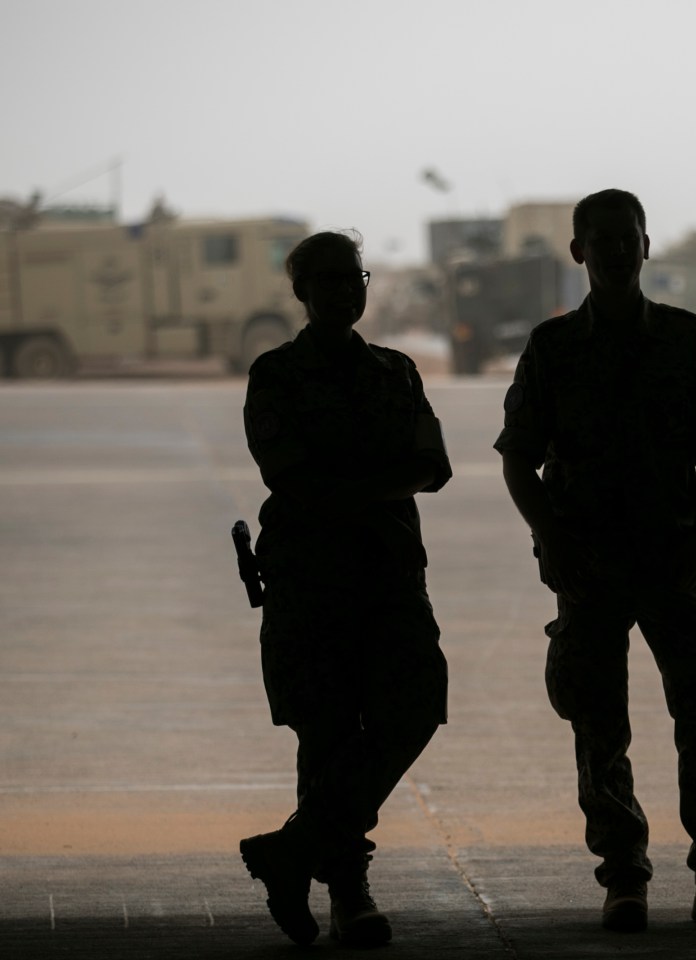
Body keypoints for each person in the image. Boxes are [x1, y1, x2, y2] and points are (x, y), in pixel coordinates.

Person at [494, 189, 696, 933]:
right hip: (589, 562)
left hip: (668, 555)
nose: (617, 251)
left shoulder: (686, 337)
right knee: (599, 724)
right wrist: (551, 539)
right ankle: (624, 878)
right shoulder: (553, 347)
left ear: (646, 245)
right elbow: (517, 458)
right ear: (579, 251)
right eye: (601, 239)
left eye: (628, 237)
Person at [238, 230, 452, 947]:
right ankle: (348, 891)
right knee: (327, 732)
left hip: (390, 575)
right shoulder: (276, 374)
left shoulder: (397, 370)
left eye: (351, 277)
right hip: (312, 581)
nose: (340, 291)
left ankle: (294, 851)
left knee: (415, 704)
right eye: (324, 279)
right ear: (300, 291)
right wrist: (379, 490)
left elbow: (432, 465)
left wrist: (349, 491)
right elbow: (290, 475)